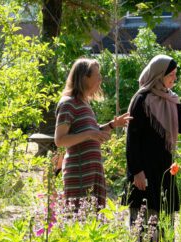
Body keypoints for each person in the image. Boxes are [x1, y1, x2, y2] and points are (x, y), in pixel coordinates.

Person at [124, 55, 181, 242]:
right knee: (143, 221)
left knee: (164, 221)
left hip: (164, 170)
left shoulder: (171, 100)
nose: (174, 79)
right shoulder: (141, 100)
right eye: (170, 75)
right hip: (144, 172)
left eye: (175, 75)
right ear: (159, 75)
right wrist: (136, 172)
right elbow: (132, 140)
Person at [54, 58, 131, 208]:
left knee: (94, 223)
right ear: (84, 77)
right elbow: (60, 140)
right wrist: (89, 134)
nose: (100, 79)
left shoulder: (84, 103)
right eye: (97, 75)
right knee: (79, 222)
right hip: (79, 173)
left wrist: (112, 125)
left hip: (93, 172)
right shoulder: (68, 103)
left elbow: (92, 133)